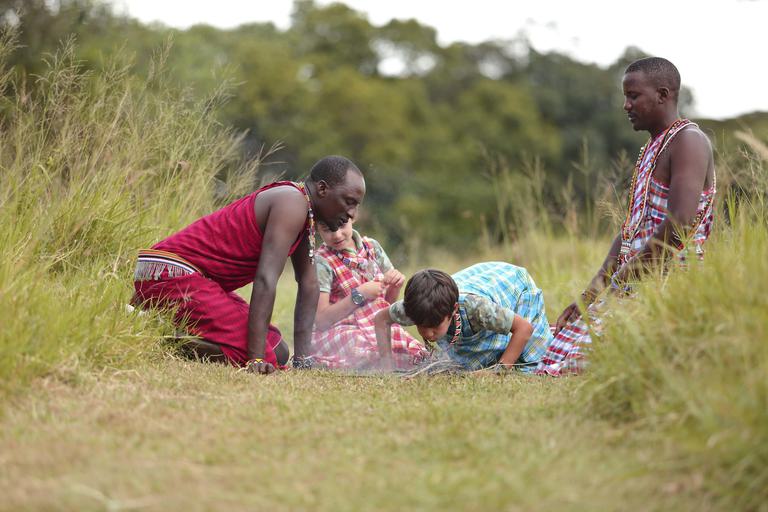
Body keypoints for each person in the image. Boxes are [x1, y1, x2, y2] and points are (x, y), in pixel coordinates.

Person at [538, 57, 716, 376]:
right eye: (625, 96)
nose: (625, 105)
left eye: (633, 96)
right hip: (634, 281)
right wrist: (591, 294)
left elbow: (681, 224)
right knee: (555, 347)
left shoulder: (689, 141)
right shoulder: (652, 148)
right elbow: (630, 234)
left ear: (663, 94)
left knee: (584, 362)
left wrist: (626, 280)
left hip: (669, 283)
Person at [132, 155, 366, 375]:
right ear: (323, 189)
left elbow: (309, 282)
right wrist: (255, 358)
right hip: (171, 273)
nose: (351, 214)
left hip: (196, 280)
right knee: (262, 353)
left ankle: (158, 322)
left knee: (278, 349)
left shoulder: (304, 211)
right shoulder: (292, 203)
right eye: (349, 202)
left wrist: (303, 359)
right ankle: (152, 335)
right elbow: (266, 278)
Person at [374, 262, 553, 372]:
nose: (428, 334)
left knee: (527, 357)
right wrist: (386, 363)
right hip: (475, 285)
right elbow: (380, 320)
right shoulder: (415, 307)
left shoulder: (478, 309)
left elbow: (524, 328)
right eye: (421, 326)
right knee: (466, 365)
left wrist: (499, 370)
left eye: (435, 326)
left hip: (512, 283)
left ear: (453, 311)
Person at [310, 219, 428, 369]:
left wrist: (394, 286)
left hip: (376, 325)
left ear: (353, 215)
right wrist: (360, 294)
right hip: (340, 330)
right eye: (327, 229)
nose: (337, 235)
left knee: (408, 348)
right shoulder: (322, 262)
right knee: (362, 351)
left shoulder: (372, 247)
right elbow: (321, 320)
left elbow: (385, 305)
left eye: (341, 225)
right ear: (316, 228)